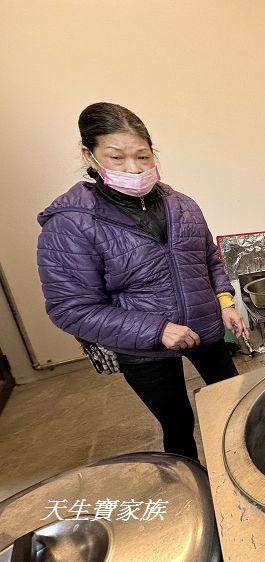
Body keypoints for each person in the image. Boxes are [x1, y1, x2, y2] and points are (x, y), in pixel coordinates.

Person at [37, 102, 249, 462]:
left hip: (205, 329)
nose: (133, 169)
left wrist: (225, 302)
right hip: (142, 345)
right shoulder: (70, 222)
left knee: (234, 407)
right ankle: (194, 487)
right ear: (90, 155)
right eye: (116, 158)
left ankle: (243, 467)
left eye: (143, 156)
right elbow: (70, 308)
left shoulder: (182, 206)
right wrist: (157, 330)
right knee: (178, 423)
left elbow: (208, 258)